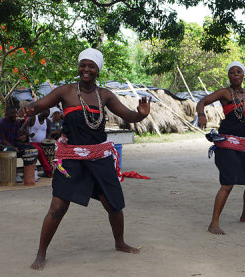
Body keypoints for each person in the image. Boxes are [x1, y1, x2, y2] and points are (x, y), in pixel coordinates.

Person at [18, 48, 151, 270]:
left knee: (113, 205)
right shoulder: (65, 92)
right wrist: (28, 109)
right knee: (58, 207)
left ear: (98, 69)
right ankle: (41, 253)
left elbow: (128, 115)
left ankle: (120, 243)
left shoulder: (105, 95)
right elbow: (38, 106)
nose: (86, 69)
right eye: (83, 65)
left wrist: (141, 115)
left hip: (99, 156)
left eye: (91, 66)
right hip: (70, 157)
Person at [197, 61, 245, 235]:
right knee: (228, 184)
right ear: (228, 76)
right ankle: (214, 223)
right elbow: (202, 101)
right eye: (232, 72)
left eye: (239, 71)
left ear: (244, 75)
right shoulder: (225, 92)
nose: (236, 74)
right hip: (227, 143)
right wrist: (201, 115)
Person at [21, 109, 53, 177]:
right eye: (43, 116)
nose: (44, 118)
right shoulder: (32, 118)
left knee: (53, 150)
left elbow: (49, 132)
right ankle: (49, 171)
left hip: (43, 144)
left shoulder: (47, 121)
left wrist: (48, 139)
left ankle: (51, 170)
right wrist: (28, 134)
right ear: (40, 112)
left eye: (46, 116)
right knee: (40, 151)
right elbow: (22, 129)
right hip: (32, 143)